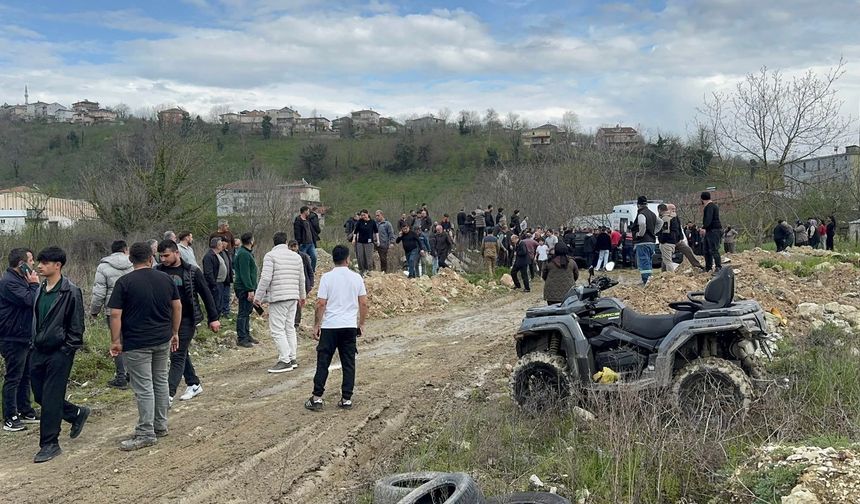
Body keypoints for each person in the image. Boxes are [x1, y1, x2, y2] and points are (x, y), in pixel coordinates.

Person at [108, 242, 180, 451]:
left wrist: (115, 340)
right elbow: (177, 306)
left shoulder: (124, 282)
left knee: (143, 387)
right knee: (160, 381)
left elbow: (115, 314)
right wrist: (174, 332)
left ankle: (145, 432)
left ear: (131, 260)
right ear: (151, 258)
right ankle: (160, 424)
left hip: (137, 342)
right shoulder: (165, 279)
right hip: (161, 338)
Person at [29, 247, 89, 463]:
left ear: (58, 265)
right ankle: (75, 414)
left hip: (59, 352)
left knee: (52, 397)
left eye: (45, 263)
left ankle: (50, 444)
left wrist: (66, 349)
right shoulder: (40, 289)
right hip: (37, 351)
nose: (39, 266)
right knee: (39, 395)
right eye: (40, 262)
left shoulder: (70, 291)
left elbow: (77, 325)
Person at [156, 240, 220, 404]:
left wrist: (214, 318)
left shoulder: (192, 271)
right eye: (160, 256)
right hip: (165, 320)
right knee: (182, 352)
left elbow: (206, 295)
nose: (163, 259)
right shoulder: (158, 272)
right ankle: (194, 383)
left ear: (177, 253)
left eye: (166, 255)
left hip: (187, 319)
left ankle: (167, 395)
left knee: (176, 354)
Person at [305, 245, 367, 412]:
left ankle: (317, 398)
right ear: (347, 259)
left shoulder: (327, 278)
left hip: (330, 326)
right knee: (348, 362)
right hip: (348, 326)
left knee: (323, 361)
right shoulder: (356, 278)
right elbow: (363, 303)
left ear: (333, 259)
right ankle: (346, 398)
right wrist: (361, 324)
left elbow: (320, 303)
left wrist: (317, 324)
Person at [254, 232, 306, 373]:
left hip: (278, 297)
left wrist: (258, 297)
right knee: (289, 327)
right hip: (293, 296)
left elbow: (265, 278)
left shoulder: (270, 256)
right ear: (286, 242)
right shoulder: (296, 256)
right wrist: (302, 296)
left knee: (277, 329)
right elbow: (302, 278)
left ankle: (284, 360)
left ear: (274, 242)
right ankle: (292, 357)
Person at [0, 248, 40, 432]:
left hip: (25, 335)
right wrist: (33, 284)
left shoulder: (20, 280)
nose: (34, 264)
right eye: (31, 261)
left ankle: (25, 409)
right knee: (14, 377)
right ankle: (10, 416)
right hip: (12, 336)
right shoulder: (9, 283)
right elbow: (31, 300)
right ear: (21, 264)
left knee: (26, 375)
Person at [90, 240, 133, 389]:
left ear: (112, 251)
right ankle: (132, 375)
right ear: (125, 249)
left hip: (113, 310)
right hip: (133, 309)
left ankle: (121, 376)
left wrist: (94, 311)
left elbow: (99, 291)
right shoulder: (133, 263)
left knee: (116, 341)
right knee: (131, 341)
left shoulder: (103, 267)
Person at [234, 232, 259, 348]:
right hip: (244, 288)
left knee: (247, 311)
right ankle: (242, 337)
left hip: (248, 287)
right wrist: (250, 289)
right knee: (243, 312)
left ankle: (247, 334)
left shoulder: (247, 253)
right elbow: (245, 273)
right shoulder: (243, 254)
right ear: (251, 241)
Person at [630, 196, 660, 284]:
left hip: (642, 242)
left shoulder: (641, 214)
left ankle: (646, 280)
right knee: (649, 261)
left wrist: (640, 234)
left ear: (638, 205)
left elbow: (642, 223)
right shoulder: (652, 213)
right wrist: (654, 232)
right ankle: (650, 278)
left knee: (643, 262)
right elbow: (660, 222)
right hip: (651, 242)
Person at [289, 240, 314, 331]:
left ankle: (296, 323)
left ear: (298, 247)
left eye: (294, 246)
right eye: (291, 246)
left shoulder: (304, 257)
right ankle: (291, 322)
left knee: (299, 304)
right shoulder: (287, 258)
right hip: (291, 284)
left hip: (303, 284)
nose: (293, 248)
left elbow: (310, 270)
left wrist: (311, 284)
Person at [203, 237, 230, 317]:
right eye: (221, 244)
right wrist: (213, 285)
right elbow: (208, 273)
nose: (223, 246)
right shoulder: (209, 256)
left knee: (219, 304)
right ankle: (212, 321)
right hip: (215, 285)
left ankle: (217, 320)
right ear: (217, 245)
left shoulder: (218, 254)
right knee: (215, 304)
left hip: (221, 284)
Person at [699, 192, 722, 273]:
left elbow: (708, 219)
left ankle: (718, 267)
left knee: (713, 249)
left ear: (702, 199)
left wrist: (703, 227)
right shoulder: (713, 206)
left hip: (713, 230)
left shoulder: (709, 207)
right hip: (712, 230)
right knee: (707, 250)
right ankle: (708, 267)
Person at [294, 206, 320, 272]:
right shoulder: (298, 220)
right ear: (305, 211)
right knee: (303, 260)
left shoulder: (308, 219)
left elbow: (313, 229)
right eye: (308, 211)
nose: (309, 212)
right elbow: (297, 233)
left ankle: (311, 271)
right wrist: (299, 243)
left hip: (311, 243)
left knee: (314, 257)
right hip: (303, 244)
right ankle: (303, 272)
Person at [352, 209, 379, 275]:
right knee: (360, 257)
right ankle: (362, 270)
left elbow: (376, 232)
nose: (363, 216)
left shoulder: (372, 222)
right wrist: (353, 239)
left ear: (367, 214)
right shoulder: (359, 222)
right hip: (360, 242)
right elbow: (355, 232)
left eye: (364, 215)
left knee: (369, 258)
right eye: (362, 215)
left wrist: (378, 240)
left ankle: (370, 271)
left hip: (369, 243)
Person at [657, 204, 680, 273]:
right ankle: (663, 274)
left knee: (668, 261)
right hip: (672, 241)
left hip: (667, 242)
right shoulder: (673, 217)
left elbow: (665, 231)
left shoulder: (666, 218)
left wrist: (662, 240)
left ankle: (671, 276)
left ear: (659, 210)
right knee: (665, 260)